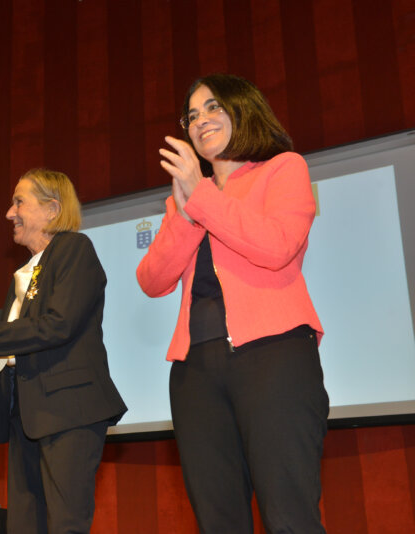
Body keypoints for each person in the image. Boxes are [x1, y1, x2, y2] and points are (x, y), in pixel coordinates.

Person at [136, 73, 329, 533]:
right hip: (195, 369)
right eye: (192, 115)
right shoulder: (183, 199)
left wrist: (201, 197)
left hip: (274, 356)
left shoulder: (283, 168)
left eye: (213, 107)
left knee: (289, 515)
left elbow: (278, 246)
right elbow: (152, 279)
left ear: (244, 109)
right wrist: (186, 208)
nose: (200, 120)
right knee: (218, 519)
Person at [0, 168, 127, 534]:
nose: (9, 213)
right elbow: (8, 336)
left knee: (65, 524)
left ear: (52, 209)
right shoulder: (26, 272)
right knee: (23, 525)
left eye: (19, 201)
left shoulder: (73, 248)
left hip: (69, 411)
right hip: (27, 415)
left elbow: (57, 323)